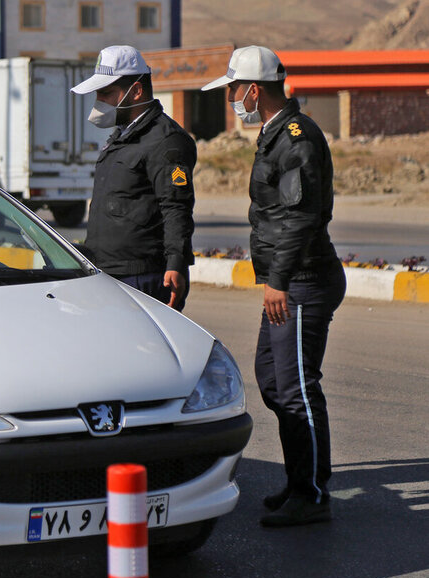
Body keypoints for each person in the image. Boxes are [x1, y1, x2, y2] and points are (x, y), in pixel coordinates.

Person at [202, 46, 346, 527]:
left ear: (253, 89)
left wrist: (278, 280)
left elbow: (301, 216)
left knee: (296, 389)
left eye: (231, 89)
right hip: (291, 280)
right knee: (272, 380)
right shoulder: (273, 135)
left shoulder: (297, 138)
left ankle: (312, 494)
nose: (228, 98)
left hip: (304, 281)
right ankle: (302, 479)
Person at [70, 45, 196, 311]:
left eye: (106, 93)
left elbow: (176, 208)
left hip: (142, 278)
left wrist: (176, 264)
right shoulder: (122, 136)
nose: (99, 101)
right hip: (108, 274)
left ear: (136, 91)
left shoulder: (165, 140)